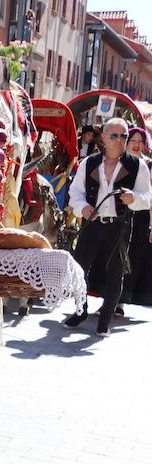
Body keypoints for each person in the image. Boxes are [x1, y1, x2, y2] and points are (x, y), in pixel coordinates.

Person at [65, 117, 152, 335]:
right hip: (93, 225)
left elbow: (147, 197)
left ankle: (105, 319)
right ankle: (81, 310)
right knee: (80, 269)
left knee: (115, 273)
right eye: (114, 135)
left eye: (123, 136)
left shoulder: (137, 165)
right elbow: (75, 193)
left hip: (119, 227)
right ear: (103, 138)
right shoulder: (90, 163)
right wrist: (82, 207)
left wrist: (135, 198)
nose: (120, 140)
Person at [125, 127, 152, 307]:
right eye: (133, 140)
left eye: (139, 141)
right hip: (118, 216)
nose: (136, 144)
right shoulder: (117, 161)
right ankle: (107, 299)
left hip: (141, 218)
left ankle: (122, 301)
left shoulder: (149, 165)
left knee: (133, 258)